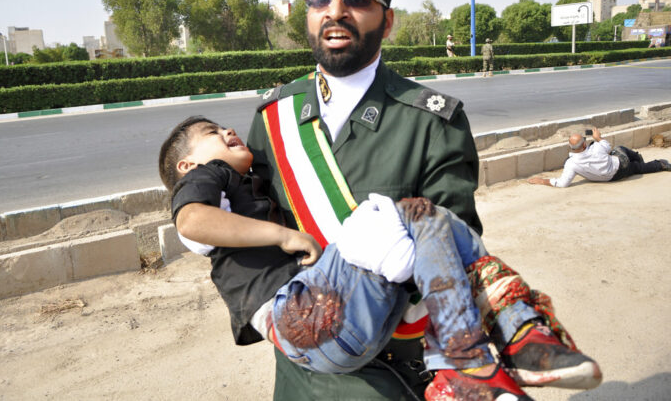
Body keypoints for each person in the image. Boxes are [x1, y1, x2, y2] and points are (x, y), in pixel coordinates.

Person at [172, 0, 599, 399]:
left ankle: (490, 351)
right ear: (307, 14)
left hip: (391, 372)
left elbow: (457, 253)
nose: (335, 10)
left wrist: (385, 253)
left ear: (387, 20)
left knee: (428, 224)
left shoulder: (433, 121)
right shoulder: (272, 118)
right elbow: (241, 223)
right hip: (303, 369)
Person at [162, 116, 600, 401]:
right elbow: (192, 222)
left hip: (340, 337)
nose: (227, 131)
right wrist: (283, 235)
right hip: (300, 318)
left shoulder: (247, 182)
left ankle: (475, 357)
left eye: (223, 126)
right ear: (187, 166)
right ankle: (502, 335)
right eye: (211, 134)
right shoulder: (208, 178)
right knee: (396, 212)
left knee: (430, 219)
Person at [527, 127, 671, 188]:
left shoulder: (571, 163)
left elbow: (563, 183)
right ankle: (645, 160)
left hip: (609, 178)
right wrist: (598, 137)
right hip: (620, 166)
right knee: (620, 149)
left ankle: (656, 164)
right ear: (584, 145)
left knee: (634, 168)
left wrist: (542, 180)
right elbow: (607, 146)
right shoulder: (597, 147)